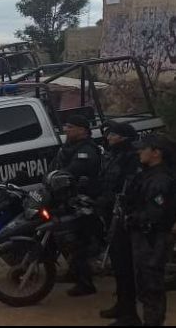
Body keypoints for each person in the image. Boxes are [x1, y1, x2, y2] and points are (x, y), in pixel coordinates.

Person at [126, 134, 176, 327]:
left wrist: (133, 217)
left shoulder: (161, 179)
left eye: (144, 148)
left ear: (156, 153)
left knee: (152, 285)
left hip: (153, 238)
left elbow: (155, 214)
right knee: (145, 284)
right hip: (145, 236)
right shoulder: (148, 174)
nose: (139, 151)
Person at [51, 114, 102, 297]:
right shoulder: (69, 147)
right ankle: (74, 272)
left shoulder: (86, 150)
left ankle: (86, 282)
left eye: (70, 127)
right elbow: (55, 169)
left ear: (82, 131)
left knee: (76, 241)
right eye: (66, 126)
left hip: (84, 202)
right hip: (69, 200)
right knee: (63, 237)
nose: (66, 130)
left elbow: (71, 172)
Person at [98, 122, 141, 325]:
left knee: (126, 266)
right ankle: (122, 305)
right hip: (112, 215)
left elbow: (130, 188)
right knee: (118, 265)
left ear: (123, 138)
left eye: (113, 135)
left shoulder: (133, 158)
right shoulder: (113, 154)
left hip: (125, 218)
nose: (108, 138)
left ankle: (130, 314)